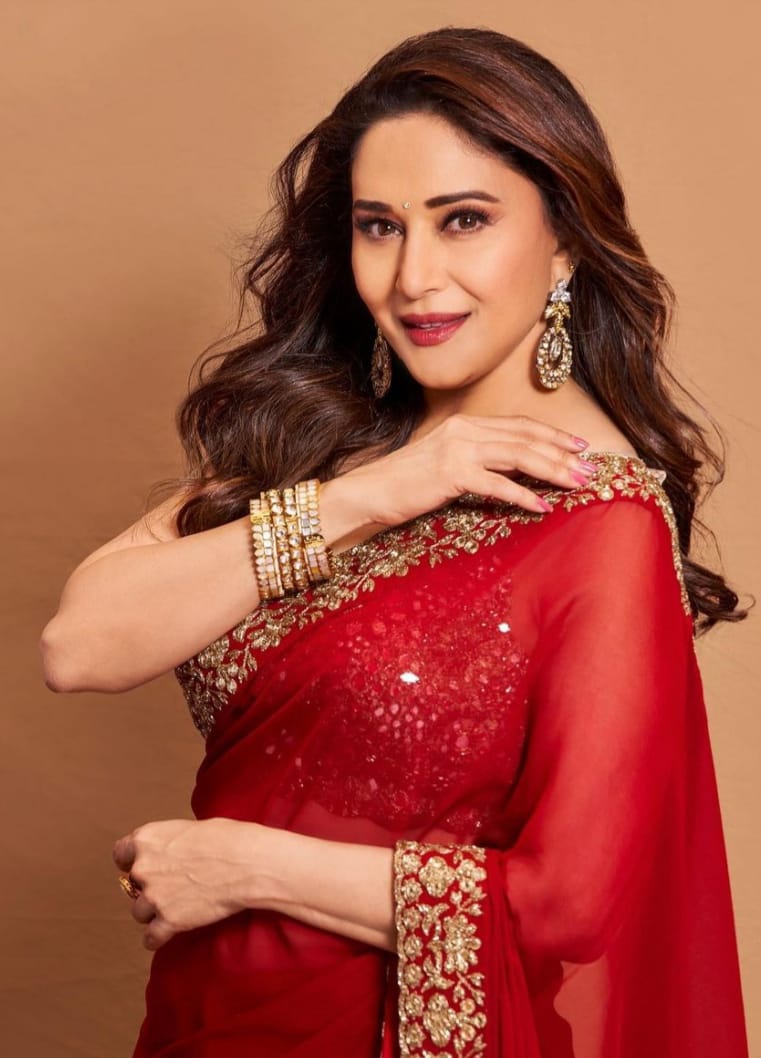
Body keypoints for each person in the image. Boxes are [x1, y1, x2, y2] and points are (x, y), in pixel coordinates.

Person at [40, 26, 750, 1058]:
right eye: (380, 227)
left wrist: (245, 867)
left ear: (563, 240)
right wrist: (378, 490)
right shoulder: (331, 446)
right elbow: (78, 647)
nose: (413, 276)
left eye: (463, 221)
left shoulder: (600, 521)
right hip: (204, 1021)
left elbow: (566, 905)